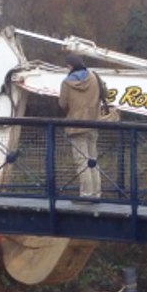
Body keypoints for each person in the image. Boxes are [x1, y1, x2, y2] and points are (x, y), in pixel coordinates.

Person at [58, 54, 106, 199]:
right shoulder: (95, 77)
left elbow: (62, 104)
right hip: (93, 123)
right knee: (93, 160)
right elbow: (106, 93)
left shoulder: (66, 83)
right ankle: (96, 193)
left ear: (70, 67)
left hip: (76, 125)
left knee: (82, 162)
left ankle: (86, 194)